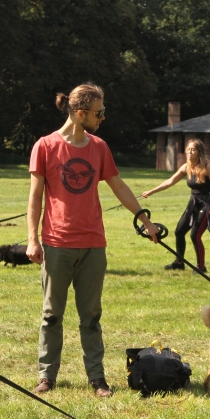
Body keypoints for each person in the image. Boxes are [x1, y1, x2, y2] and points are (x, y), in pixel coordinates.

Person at [27, 83, 159, 398]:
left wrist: (146, 220)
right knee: (51, 315)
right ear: (80, 113)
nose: (102, 118)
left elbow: (119, 186)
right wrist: (32, 240)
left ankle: (97, 379)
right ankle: (47, 376)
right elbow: (34, 198)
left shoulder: (99, 147)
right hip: (57, 244)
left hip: (93, 245)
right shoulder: (45, 146)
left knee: (91, 316)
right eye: (99, 113)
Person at [142, 139, 210, 273]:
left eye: (193, 149)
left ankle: (201, 267)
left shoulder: (208, 166)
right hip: (193, 202)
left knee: (195, 235)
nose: (189, 152)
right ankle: (179, 262)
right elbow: (170, 181)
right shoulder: (186, 167)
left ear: (199, 151)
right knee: (179, 231)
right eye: (188, 149)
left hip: (207, 203)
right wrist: (151, 191)